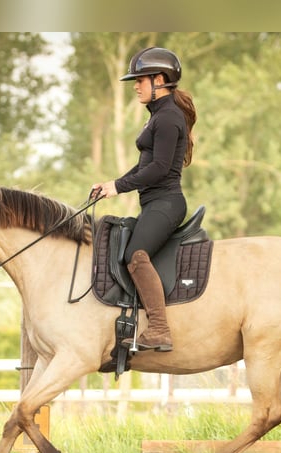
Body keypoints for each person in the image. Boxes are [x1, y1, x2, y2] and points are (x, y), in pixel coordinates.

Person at [92, 46, 197, 352]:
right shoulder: (157, 117)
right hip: (154, 203)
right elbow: (143, 166)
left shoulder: (167, 119)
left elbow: (159, 169)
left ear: (160, 80)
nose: (136, 85)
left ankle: (160, 329)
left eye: (141, 79)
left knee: (135, 256)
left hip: (167, 203)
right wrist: (110, 184)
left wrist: (118, 186)